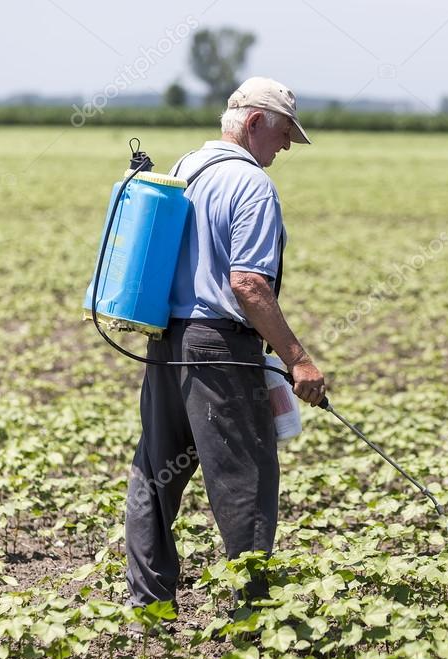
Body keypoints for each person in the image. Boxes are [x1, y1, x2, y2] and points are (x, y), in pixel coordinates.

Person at [125, 77, 326, 612]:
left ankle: (148, 606)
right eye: (284, 133)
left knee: (155, 471)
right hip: (219, 347)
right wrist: (298, 361)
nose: (285, 146)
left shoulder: (186, 167)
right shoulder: (251, 185)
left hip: (166, 342)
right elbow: (249, 284)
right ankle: (254, 615)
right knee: (246, 480)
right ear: (257, 123)